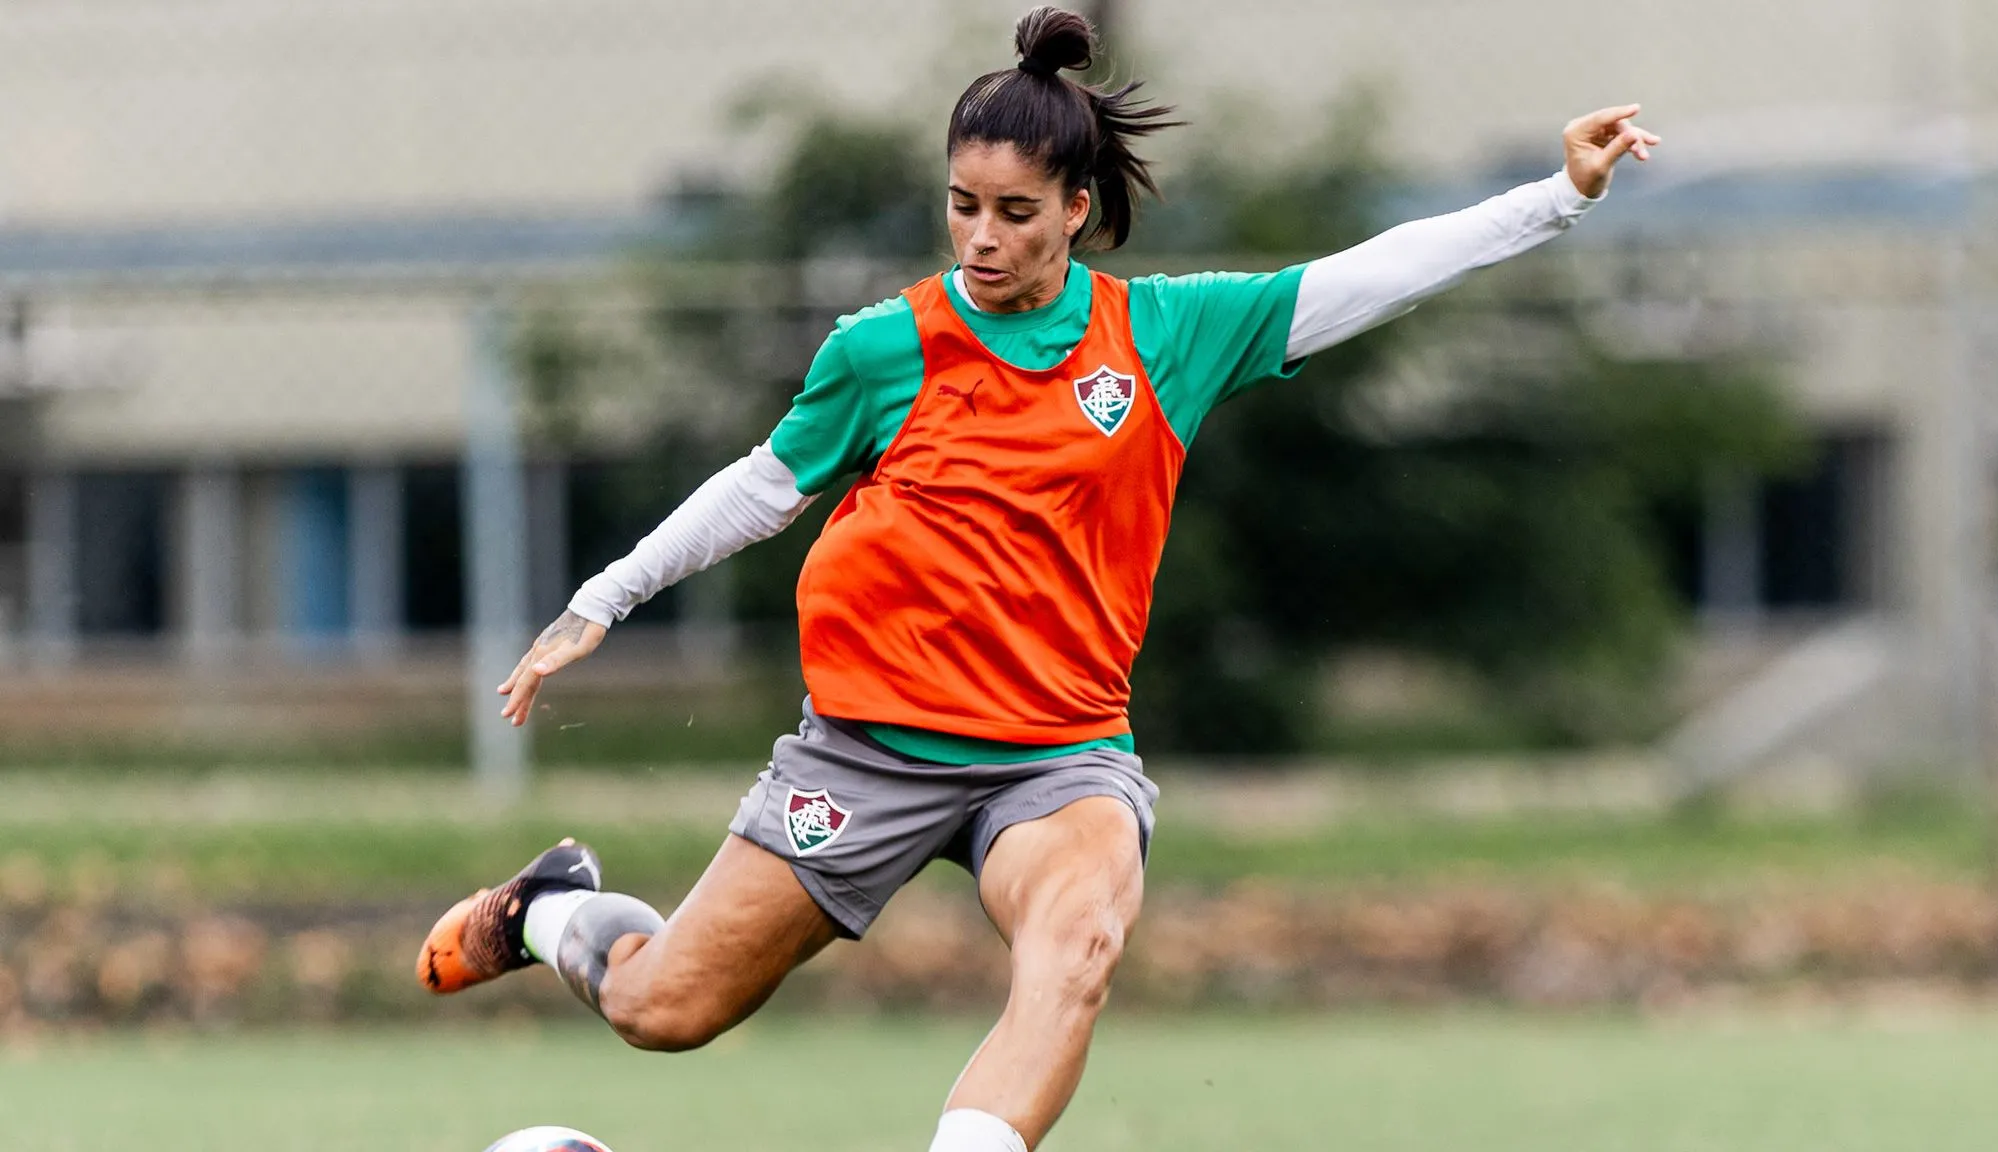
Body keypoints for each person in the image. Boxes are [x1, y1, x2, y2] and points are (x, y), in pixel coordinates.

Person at [416, 7, 1659, 1150]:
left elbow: (1364, 277)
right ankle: (548, 912)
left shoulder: (1162, 338)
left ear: (1076, 208)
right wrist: (601, 601)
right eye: (961, 206)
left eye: (1014, 212)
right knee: (661, 1008)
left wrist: (1556, 194)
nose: (982, 238)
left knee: (1076, 947)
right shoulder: (886, 347)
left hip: (1057, 759)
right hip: (867, 751)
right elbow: (763, 487)